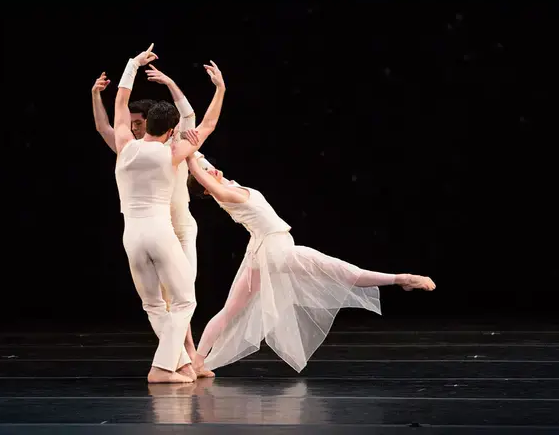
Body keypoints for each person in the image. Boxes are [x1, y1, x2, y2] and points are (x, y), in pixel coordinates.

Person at [184, 156, 436, 377]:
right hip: (277, 251)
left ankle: (197, 362)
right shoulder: (223, 193)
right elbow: (201, 173)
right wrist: (191, 162)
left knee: (230, 311)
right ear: (207, 188)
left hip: (260, 253)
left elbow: (202, 159)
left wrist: (189, 146)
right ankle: (403, 279)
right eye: (207, 174)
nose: (213, 171)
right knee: (342, 272)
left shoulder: (228, 184)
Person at [114, 44, 226, 383]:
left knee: (153, 305)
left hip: (131, 237)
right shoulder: (173, 154)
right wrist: (220, 90)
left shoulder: (125, 146)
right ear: (170, 131)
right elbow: (206, 125)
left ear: (145, 124)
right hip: (160, 234)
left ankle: (176, 363)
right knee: (184, 302)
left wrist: (132, 65)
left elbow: (120, 105)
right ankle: (163, 368)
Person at [91, 63, 204, 364]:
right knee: (174, 300)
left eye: (138, 123)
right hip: (159, 228)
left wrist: (148, 73)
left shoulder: (155, 147)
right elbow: (107, 127)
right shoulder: (159, 150)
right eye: (132, 124)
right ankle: (179, 357)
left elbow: (189, 118)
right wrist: (218, 91)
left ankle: (181, 356)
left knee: (173, 297)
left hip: (175, 226)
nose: (134, 127)